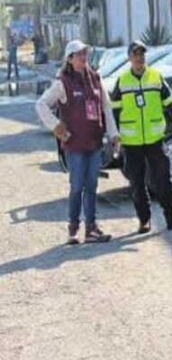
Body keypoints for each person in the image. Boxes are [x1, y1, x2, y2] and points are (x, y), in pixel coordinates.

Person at [35, 40, 118, 245]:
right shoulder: (63, 82)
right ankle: (73, 228)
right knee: (77, 186)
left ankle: (91, 229)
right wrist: (56, 127)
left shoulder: (96, 78)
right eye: (79, 54)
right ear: (70, 59)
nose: (83, 57)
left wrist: (114, 134)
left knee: (91, 186)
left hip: (94, 143)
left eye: (85, 53)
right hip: (75, 147)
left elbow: (106, 108)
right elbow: (41, 105)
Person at [111, 41, 172, 233]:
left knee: (163, 182)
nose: (139, 58)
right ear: (129, 58)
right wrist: (115, 136)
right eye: (135, 54)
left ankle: (171, 218)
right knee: (137, 184)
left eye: (142, 54)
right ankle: (144, 220)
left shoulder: (155, 77)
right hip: (132, 142)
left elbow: (170, 101)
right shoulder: (122, 81)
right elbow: (114, 111)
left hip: (154, 139)